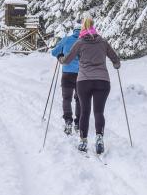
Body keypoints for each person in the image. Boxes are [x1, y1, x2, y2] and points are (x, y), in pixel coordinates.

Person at [59, 15, 120, 154]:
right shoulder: (103, 42)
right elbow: (115, 59)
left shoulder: (79, 43)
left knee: (85, 112)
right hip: (102, 81)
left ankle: (83, 141)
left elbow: (67, 60)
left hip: (84, 82)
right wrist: (116, 64)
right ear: (93, 27)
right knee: (99, 112)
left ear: (83, 28)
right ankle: (99, 138)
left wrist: (60, 59)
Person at [51, 20, 82, 135]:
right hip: (81, 75)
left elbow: (54, 52)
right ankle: (78, 123)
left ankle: (68, 121)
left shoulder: (67, 39)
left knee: (67, 99)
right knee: (79, 99)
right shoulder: (85, 41)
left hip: (67, 74)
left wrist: (60, 55)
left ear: (74, 31)